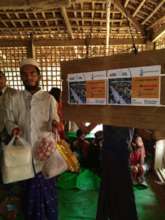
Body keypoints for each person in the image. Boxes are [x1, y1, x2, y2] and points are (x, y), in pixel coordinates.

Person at [5, 58, 60, 220]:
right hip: (23, 152)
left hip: (44, 150)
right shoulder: (14, 98)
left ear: (39, 76)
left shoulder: (48, 98)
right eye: (25, 74)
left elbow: (54, 119)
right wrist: (12, 128)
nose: (29, 77)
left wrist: (56, 124)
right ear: (21, 77)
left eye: (32, 73)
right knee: (27, 191)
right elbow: (8, 120)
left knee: (47, 191)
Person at [96, 125, 138, 220]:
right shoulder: (107, 111)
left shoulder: (132, 112)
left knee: (121, 192)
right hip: (111, 157)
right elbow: (86, 129)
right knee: (112, 191)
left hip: (120, 157)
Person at [0, 71, 17, 146]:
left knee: (11, 152)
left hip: (11, 129)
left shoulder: (14, 93)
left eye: (0, 77)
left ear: (5, 79)